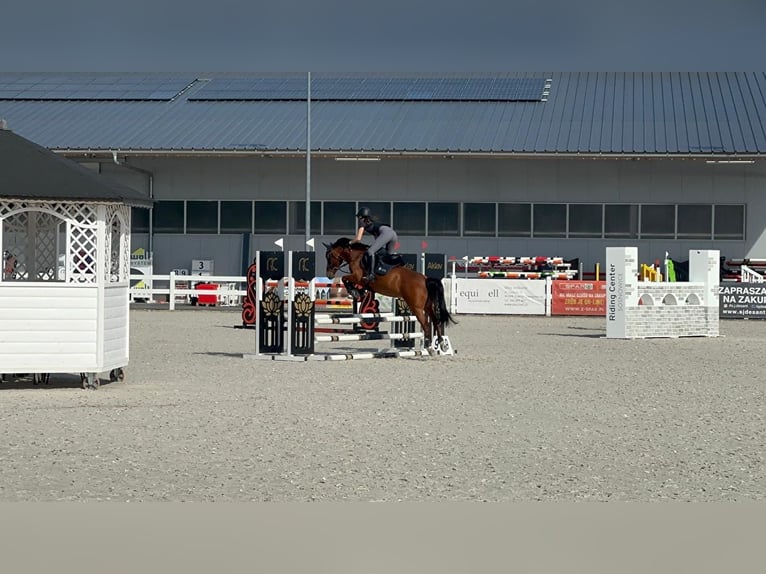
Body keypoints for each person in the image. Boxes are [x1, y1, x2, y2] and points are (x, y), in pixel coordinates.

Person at [354, 206, 398, 282]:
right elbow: (378, 238)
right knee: (387, 256)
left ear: (362, 217)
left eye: (359, 217)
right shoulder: (373, 223)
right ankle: (388, 275)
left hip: (386, 233)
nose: (358, 220)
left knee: (370, 251)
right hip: (393, 234)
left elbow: (358, 239)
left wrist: (350, 242)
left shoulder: (363, 224)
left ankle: (371, 274)